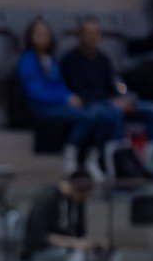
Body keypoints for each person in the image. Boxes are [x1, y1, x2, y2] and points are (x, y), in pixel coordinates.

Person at [16, 18, 118, 177]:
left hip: (59, 103)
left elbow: (60, 86)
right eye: (38, 34)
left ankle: (93, 157)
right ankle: (71, 150)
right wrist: (65, 99)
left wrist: (69, 96)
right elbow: (36, 93)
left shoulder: (51, 59)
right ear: (30, 37)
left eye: (45, 34)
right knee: (89, 115)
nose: (42, 37)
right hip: (40, 106)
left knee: (106, 115)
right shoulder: (27, 60)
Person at [20, 170, 125, 261]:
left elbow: (80, 235)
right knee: (75, 254)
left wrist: (93, 244)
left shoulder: (77, 202)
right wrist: (74, 244)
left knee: (111, 254)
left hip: (70, 250)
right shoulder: (47, 198)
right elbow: (39, 236)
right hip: (43, 253)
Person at [59, 18, 153, 142]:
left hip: (111, 101)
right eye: (88, 33)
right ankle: (118, 154)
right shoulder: (70, 60)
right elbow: (79, 93)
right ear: (80, 36)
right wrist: (112, 102)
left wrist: (124, 96)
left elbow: (115, 83)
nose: (92, 37)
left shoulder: (103, 59)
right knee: (115, 112)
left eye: (96, 33)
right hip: (91, 104)